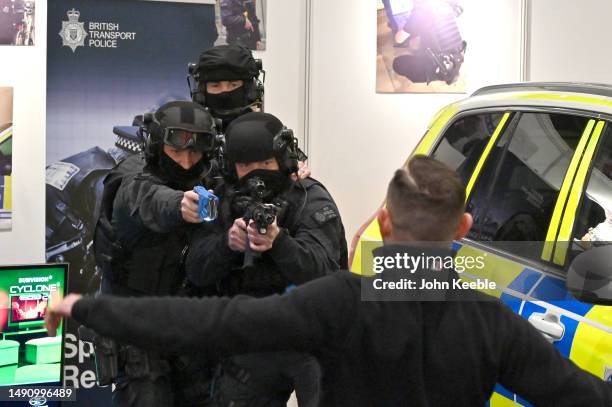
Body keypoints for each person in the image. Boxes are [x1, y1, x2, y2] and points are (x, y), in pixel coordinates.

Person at [49, 155, 612, 406]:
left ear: (383, 222)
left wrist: (86, 307)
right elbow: (583, 397)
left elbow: (209, 322)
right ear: (463, 230)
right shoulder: (493, 322)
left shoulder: (341, 303)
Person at [185, 111, 347, 406]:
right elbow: (195, 270)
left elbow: (325, 273)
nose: (256, 173)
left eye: (265, 163)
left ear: (282, 161)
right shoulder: (222, 201)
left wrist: (279, 243)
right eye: (246, 166)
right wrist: (227, 244)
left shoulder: (310, 198)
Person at [93, 100, 218, 407]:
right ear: (156, 146)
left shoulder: (209, 174)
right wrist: (179, 205)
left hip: (190, 327)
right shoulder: (131, 177)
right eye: (176, 151)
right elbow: (147, 199)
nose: (186, 162)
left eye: (195, 152)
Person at [392, 0, 466, 85]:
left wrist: (404, 26)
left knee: (397, 64)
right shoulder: (445, 3)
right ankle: (451, 72)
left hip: (441, 65)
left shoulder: (420, 12)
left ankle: (444, 75)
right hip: (457, 56)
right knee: (422, 37)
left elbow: (398, 39)